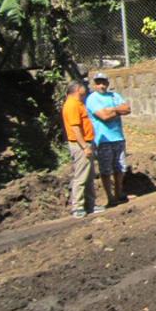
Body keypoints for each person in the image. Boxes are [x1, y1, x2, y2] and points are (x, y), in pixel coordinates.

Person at [85, 71, 131, 206]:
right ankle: (110, 197)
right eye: (98, 83)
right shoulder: (92, 99)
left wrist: (111, 110)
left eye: (103, 82)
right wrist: (117, 110)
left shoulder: (115, 95)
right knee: (106, 170)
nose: (101, 85)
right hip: (102, 139)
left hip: (118, 137)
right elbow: (103, 116)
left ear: (107, 83)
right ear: (95, 85)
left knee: (120, 167)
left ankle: (119, 192)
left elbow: (127, 109)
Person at [61, 80, 103, 217]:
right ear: (78, 89)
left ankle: (90, 204)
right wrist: (84, 146)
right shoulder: (72, 105)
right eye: (84, 87)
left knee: (89, 175)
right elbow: (75, 128)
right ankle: (77, 207)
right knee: (81, 176)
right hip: (80, 145)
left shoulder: (78, 103)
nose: (87, 89)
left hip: (86, 143)